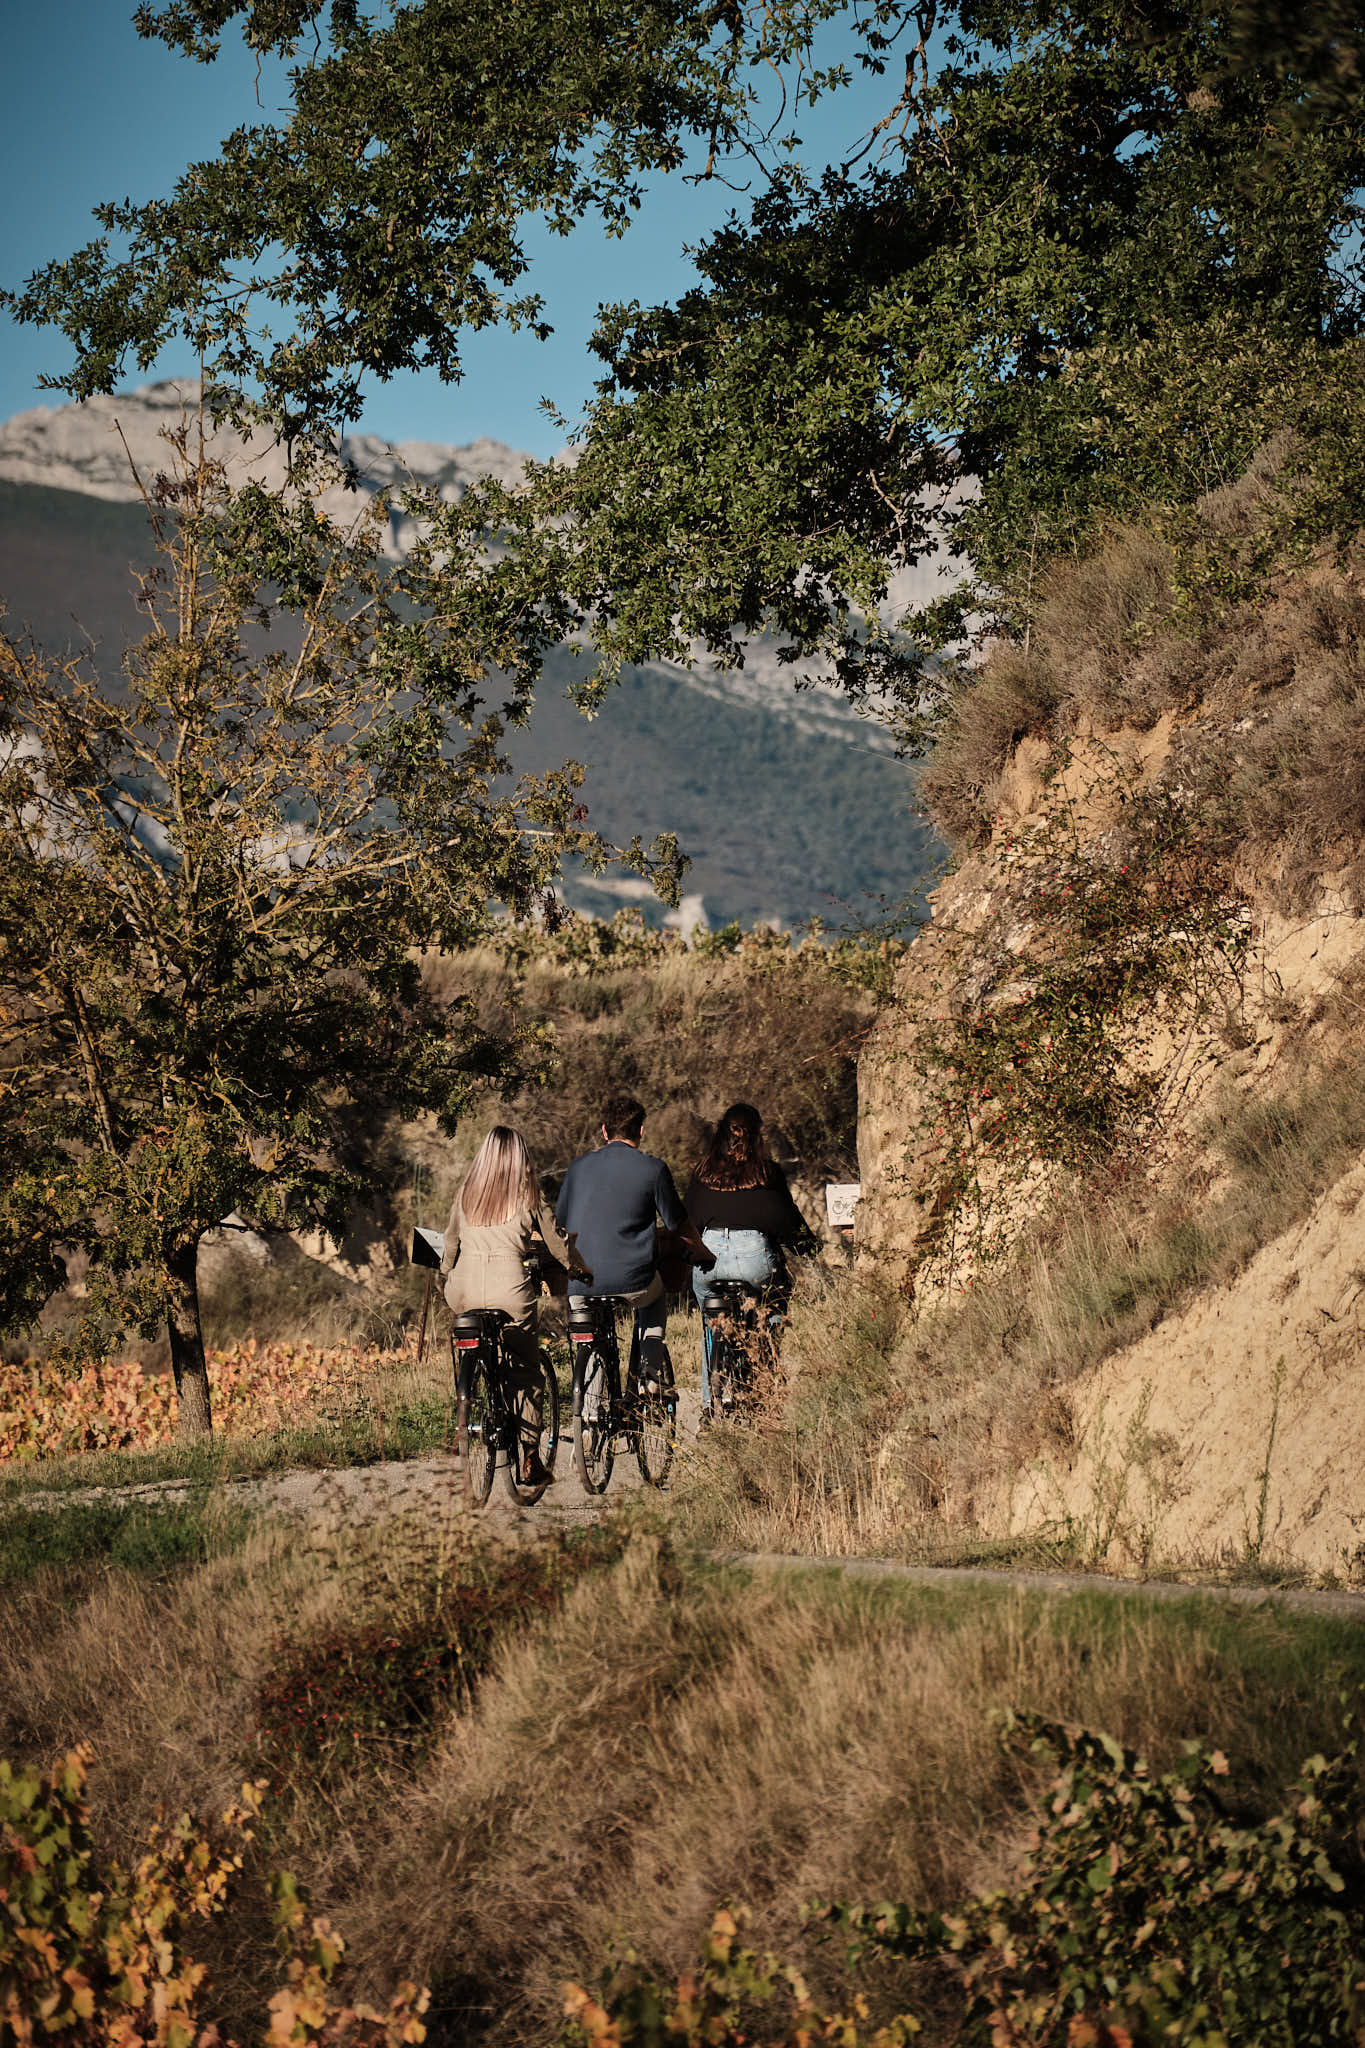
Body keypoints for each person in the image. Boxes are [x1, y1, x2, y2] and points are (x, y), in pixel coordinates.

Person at [440, 1125, 587, 1486]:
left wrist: (445, 1274)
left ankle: (472, 1388)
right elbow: (556, 1243)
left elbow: (451, 1243)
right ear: (519, 1157)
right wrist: (579, 1268)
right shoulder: (527, 1193)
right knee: (525, 1371)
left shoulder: (466, 1193)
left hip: (464, 1291)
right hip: (510, 1291)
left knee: (472, 1338)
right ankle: (529, 1459)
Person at [554, 1093, 699, 1397]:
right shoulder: (654, 1169)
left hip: (581, 1284)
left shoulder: (577, 1169)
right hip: (634, 1281)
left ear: (604, 1131)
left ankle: (590, 1413)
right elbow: (677, 1224)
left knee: (589, 1331)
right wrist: (701, 1251)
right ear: (641, 1130)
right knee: (654, 1299)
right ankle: (649, 1374)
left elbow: (561, 1226)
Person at [684, 1102, 816, 1414]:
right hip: (755, 1259)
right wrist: (807, 1247)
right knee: (773, 1302)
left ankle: (708, 1404)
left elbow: (687, 1220)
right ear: (757, 1136)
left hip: (710, 1259)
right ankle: (766, 1376)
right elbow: (786, 1219)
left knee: (709, 1322)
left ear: (720, 1136)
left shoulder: (702, 1172)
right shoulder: (767, 1173)